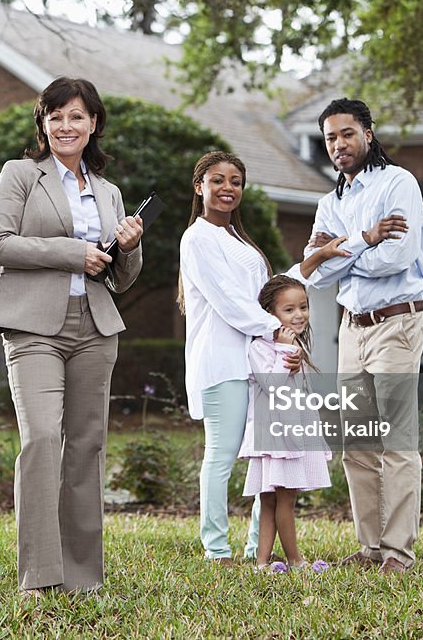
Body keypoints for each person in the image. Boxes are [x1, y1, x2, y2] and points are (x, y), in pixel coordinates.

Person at [0, 76, 144, 596]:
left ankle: (81, 578)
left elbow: (120, 277)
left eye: (76, 116)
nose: (65, 125)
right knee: (42, 440)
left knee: (87, 446)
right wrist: (74, 252)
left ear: (93, 123)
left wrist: (130, 246)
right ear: (43, 123)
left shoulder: (110, 192)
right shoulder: (22, 174)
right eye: (55, 116)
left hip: (94, 326)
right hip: (32, 327)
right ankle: (39, 577)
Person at [291, 97, 423, 575]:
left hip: (397, 322)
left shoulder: (399, 183)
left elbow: (398, 256)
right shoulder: (329, 202)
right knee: (357, 441)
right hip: (352, 328)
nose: (338, 145)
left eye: (347, 134)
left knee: (395, 438)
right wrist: (364, 239)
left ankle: (398, 552)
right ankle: (371, 547)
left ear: (367, 135)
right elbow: (315, 277)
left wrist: (341, 252)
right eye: (330, 137)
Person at [177, 151, 299, 565]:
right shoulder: (196, 239)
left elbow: (271, 297)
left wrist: (282, 342)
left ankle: (255, 549)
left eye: (235, 181)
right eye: (218, 180)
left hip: (255, 364)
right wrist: (275, 330)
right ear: (200, 187)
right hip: (221, 364)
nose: (228, 188)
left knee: (265, 458)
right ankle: (216, 549)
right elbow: (230, 303)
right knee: (222, 457)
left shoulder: (238, 240)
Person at [239, 274, 341, 571]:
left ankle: (262, 562)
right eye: (289, 309)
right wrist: (284, 351)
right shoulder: (260, 348)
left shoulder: (296, 348)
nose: (299, 315)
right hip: (277, 437)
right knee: (280, 501)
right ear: (270, 314)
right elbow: (275, 388)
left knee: (275, 501)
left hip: (292, 433)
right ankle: (295, 561)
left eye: (303, 307)